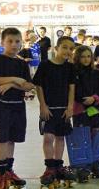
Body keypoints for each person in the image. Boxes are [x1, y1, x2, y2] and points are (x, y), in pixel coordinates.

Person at [0, 27, 34, 189]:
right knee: (1, 139)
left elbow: (27, 86)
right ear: (3, 42)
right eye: (10, 41)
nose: (14, 45)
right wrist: (13, 79)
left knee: (12, 138)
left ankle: (9, 171)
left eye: (17, 41)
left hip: (18, 106)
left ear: (22, 42)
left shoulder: (21, 63)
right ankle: (0, 175)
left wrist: (12, 84)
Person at [33, 36, 76, 187]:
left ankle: (58, 165)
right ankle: (49, 167)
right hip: (49, 110)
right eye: (64, 47)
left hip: (63, 110)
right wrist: (42, 105)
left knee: (60, 138)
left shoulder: (70, 67)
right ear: (56, 48)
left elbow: (72, 87)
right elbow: (39, 86)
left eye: (71, 49)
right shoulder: (45, 65)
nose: (68, 51)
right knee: (48, 138)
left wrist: (70, 106)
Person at [71, 45, 99, 181]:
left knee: (96, 134)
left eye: (88, 56)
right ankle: (82, 164)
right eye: (82, 57)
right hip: (79, 110)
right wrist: (83, 100)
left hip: (94, 110)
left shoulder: (97, 74)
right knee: (81, 136)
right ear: (77, 58)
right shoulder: (73, 74)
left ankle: (96, 162)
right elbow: (72, 91)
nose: (86, 59)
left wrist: (95, 98)